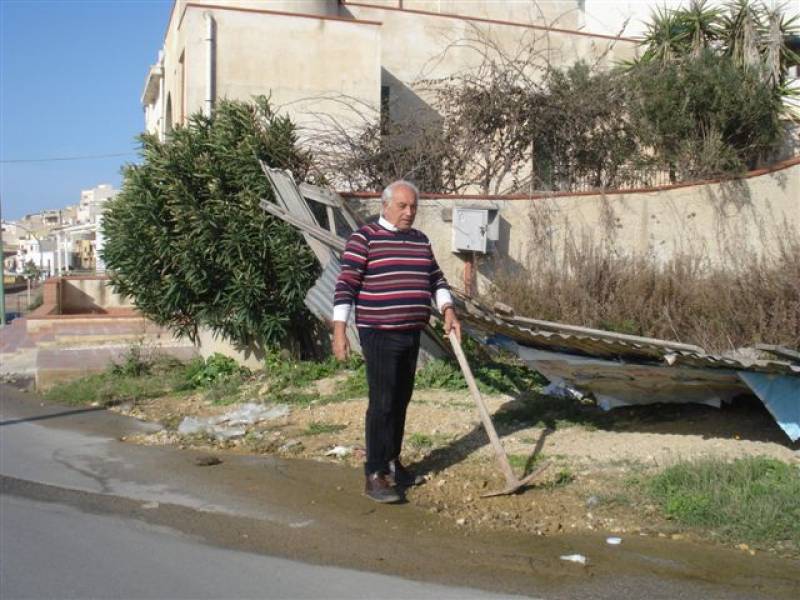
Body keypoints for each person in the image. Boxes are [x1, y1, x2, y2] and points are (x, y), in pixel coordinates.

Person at [332, 180, 461, 503]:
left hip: (409, 331)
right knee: (382, 402)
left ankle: (392, 460)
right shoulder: (365, 239)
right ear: (385, 206)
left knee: (401, 399)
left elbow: (436, 278)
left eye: (413, 207)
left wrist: (447, 309)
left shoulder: (419, 240)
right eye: (403, 206)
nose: (409, 212)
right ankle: (374, 473)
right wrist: (339, 331)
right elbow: (346, 285)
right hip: (378, 331)